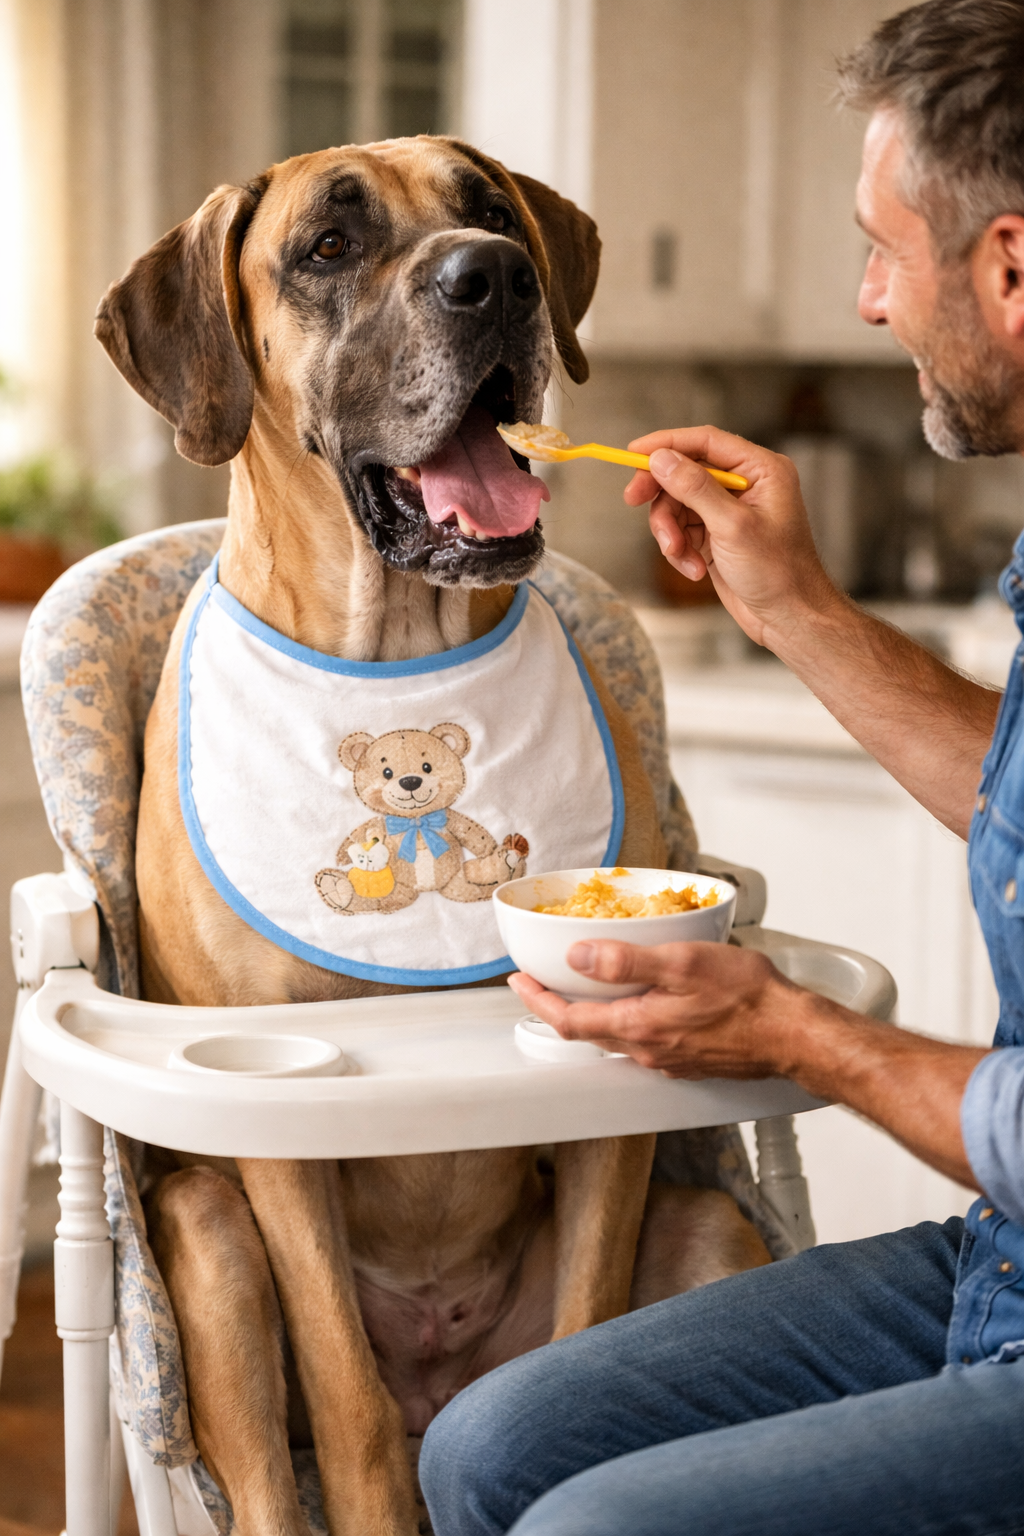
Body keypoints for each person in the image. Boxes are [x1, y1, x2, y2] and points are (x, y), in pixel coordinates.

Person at [418, 3, 1024, 1533]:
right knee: (488, 1451)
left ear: (1010, 270)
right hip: (1004, 1247)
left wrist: (795, 1033)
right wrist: (796, 607)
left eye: (883, 248)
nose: (869, 299)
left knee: (590, 1526)